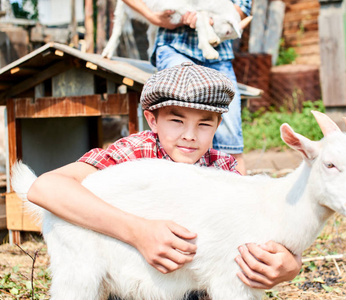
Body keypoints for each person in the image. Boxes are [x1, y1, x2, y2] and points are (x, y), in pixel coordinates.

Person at [27, 64, 302, 298]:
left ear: (218, 125)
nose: (190, 135)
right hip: (125, 284)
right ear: (152, 120)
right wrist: (138, 231)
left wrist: (290, 265)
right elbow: (44, 188)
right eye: (176, 121)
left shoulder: (222, 170)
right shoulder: (133, 153)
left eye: (204, 124)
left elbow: (254, 230)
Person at [121, 0, 249, 175]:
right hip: (175, 45)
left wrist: (208, 19)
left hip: (218, 52)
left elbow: (241, 8)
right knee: (180, 134)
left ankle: (237, 192)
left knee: (230, 137)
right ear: (152, 120)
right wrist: (152, 16)